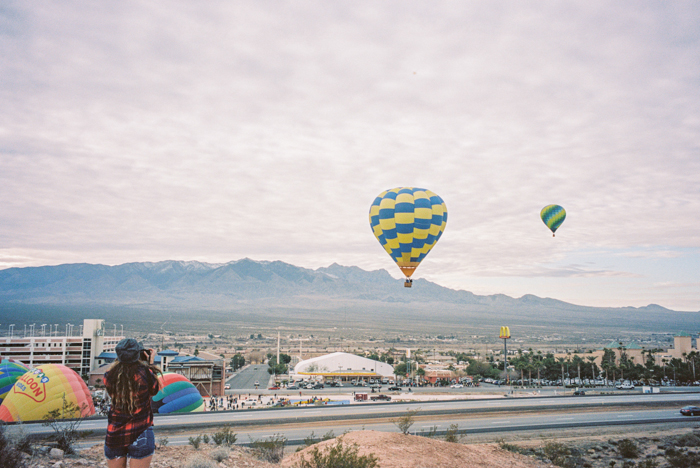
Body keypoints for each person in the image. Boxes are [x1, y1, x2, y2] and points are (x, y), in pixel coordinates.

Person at [103, 339, 161, 468]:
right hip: (141, 432)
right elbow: (154, 390)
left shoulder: (109, 376)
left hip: (115, 433)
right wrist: (150, 363)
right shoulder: (146, 374)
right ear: (138, 354)